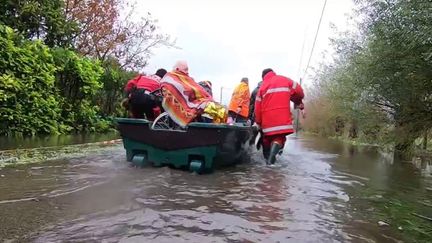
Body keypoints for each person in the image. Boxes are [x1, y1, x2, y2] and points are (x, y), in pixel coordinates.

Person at [254, 68, 305, 165]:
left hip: (267, 122)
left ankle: (268, 162)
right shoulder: (285, 80)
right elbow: (299, 92)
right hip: (282, 120)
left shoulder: (262, 87)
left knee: (266, 140)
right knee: (279, 138)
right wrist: (298, 101)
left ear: (263, 77)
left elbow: (257, 108)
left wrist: (259, 122)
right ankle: (272, 157)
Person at [160, 61, 227, 127]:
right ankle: (216, 132)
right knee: (219, 110)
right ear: (177, 69)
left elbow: (196, 89)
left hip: (197, 101)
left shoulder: (187, 78)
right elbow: (181, 89)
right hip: (189, 103)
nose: (187, 72)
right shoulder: (170, 77)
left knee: (221, 110)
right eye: (185, 69)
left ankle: (217, 131)